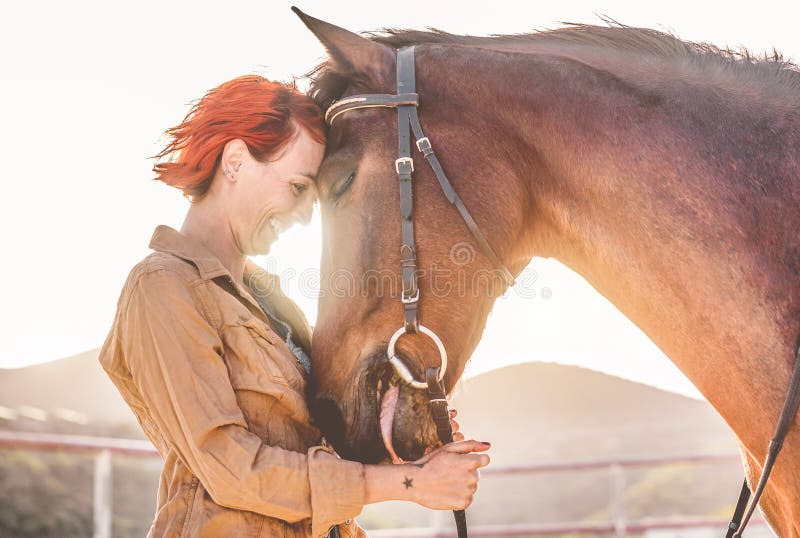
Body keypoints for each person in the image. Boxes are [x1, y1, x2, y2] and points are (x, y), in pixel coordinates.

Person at [98, 74, 490, 538]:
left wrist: (403, 438)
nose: (306, 216)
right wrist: (410, 485)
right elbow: (232, 468)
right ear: (236, 161)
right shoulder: (163, 287)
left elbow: (308, 445)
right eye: (299, 188)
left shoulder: (269, 300)